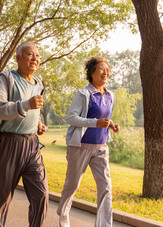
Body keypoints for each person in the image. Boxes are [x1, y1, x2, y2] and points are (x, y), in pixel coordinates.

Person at [0, 42, 48, 227]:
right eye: (30, 54)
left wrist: (37, 124)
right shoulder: (6, 78)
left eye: (37, 55)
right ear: (18, 58)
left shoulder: (39, 83)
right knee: (0, 200)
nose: (35, 58)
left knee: (41, 195)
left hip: (32, 145)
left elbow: (31, 110)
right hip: (8, 144)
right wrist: (26, 105)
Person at [57, 56, 120, 227]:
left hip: (101, 147)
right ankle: (63, 214)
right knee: (72, 185)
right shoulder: (83, 94)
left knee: (106, 187)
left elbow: (105, 116)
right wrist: (95, 123)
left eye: (107, 69)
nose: (106, 72)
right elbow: (71, 118)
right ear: (92, 72)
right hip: (80, 147)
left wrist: (111, 124)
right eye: (101, 68)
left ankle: (104, 225)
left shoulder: (110, 95)